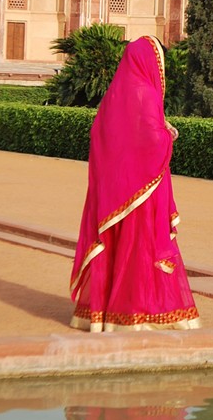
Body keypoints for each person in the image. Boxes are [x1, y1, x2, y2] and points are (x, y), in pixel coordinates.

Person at [69, 34, 201, 332]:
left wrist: (160, 128)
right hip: (143, 191)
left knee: (116, 247)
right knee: (140, 247)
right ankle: (138, 313)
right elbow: (151, 141)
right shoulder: (146, 93)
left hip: (116, 192)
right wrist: (168, 135)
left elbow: (105, 136)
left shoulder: (115, 94)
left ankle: (104, 315)